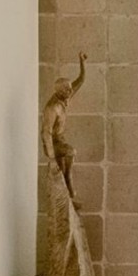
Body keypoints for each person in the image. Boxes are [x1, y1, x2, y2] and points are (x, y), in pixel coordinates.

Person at [41, 51, 86, 203]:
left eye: (69, 88)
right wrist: (51, 155)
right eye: (67, 89)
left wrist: (82, 62)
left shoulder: (65, 97)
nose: (70, 91)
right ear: (59, 92)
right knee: (69, 155)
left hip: (61, 140)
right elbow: (46, 132)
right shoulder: (52, 108)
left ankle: (69, 197)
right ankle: (68, 195)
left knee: (65, 169)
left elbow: (80, 81)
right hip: (54, 144)